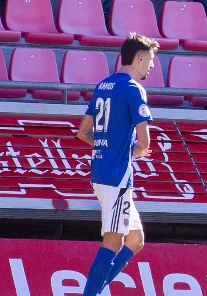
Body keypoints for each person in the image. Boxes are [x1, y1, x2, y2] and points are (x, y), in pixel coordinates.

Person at [75, 34, 157, 296]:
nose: (152, 66)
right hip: (117, 175)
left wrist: (109, 147)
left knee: (135, 239)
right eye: (151, 60)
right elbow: (144, 142)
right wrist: (131, 151)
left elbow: (83, 132)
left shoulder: (104, 85)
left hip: (101, 169)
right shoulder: (134, 89)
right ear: (140, 58)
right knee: (113, 241)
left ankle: (95, 291)